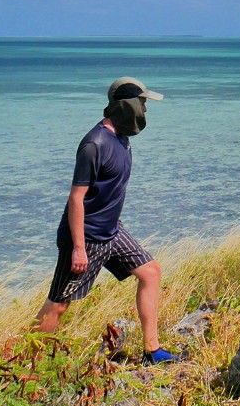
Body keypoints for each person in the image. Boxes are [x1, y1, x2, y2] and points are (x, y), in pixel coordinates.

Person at [33, 76, 177, 364]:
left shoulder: (122, 139)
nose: (145, 110)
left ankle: (153, 350)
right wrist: (78, 248)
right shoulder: (93, 144)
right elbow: (76, 198)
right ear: (126, 105)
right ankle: (23, 363)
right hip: (85, 236)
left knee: (150, 272)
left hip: (112, 232)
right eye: (143, 103)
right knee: (59, 304)